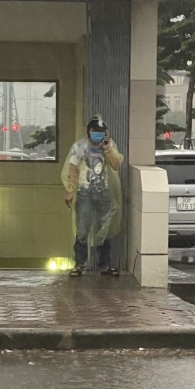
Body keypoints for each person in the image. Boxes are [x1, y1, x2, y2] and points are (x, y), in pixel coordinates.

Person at [62, 116, 124, 277]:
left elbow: (116, 164)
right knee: (82, 229)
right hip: (84, 194)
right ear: (88, 131)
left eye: (101, 131)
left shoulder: (109, 146)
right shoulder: (79, 147)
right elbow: (72, 169)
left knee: (104, 229)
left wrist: (108, 149)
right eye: (95, 131)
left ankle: (104, 264)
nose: (98, 134)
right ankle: (79, 264)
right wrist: (70, 190)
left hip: (104, 193)